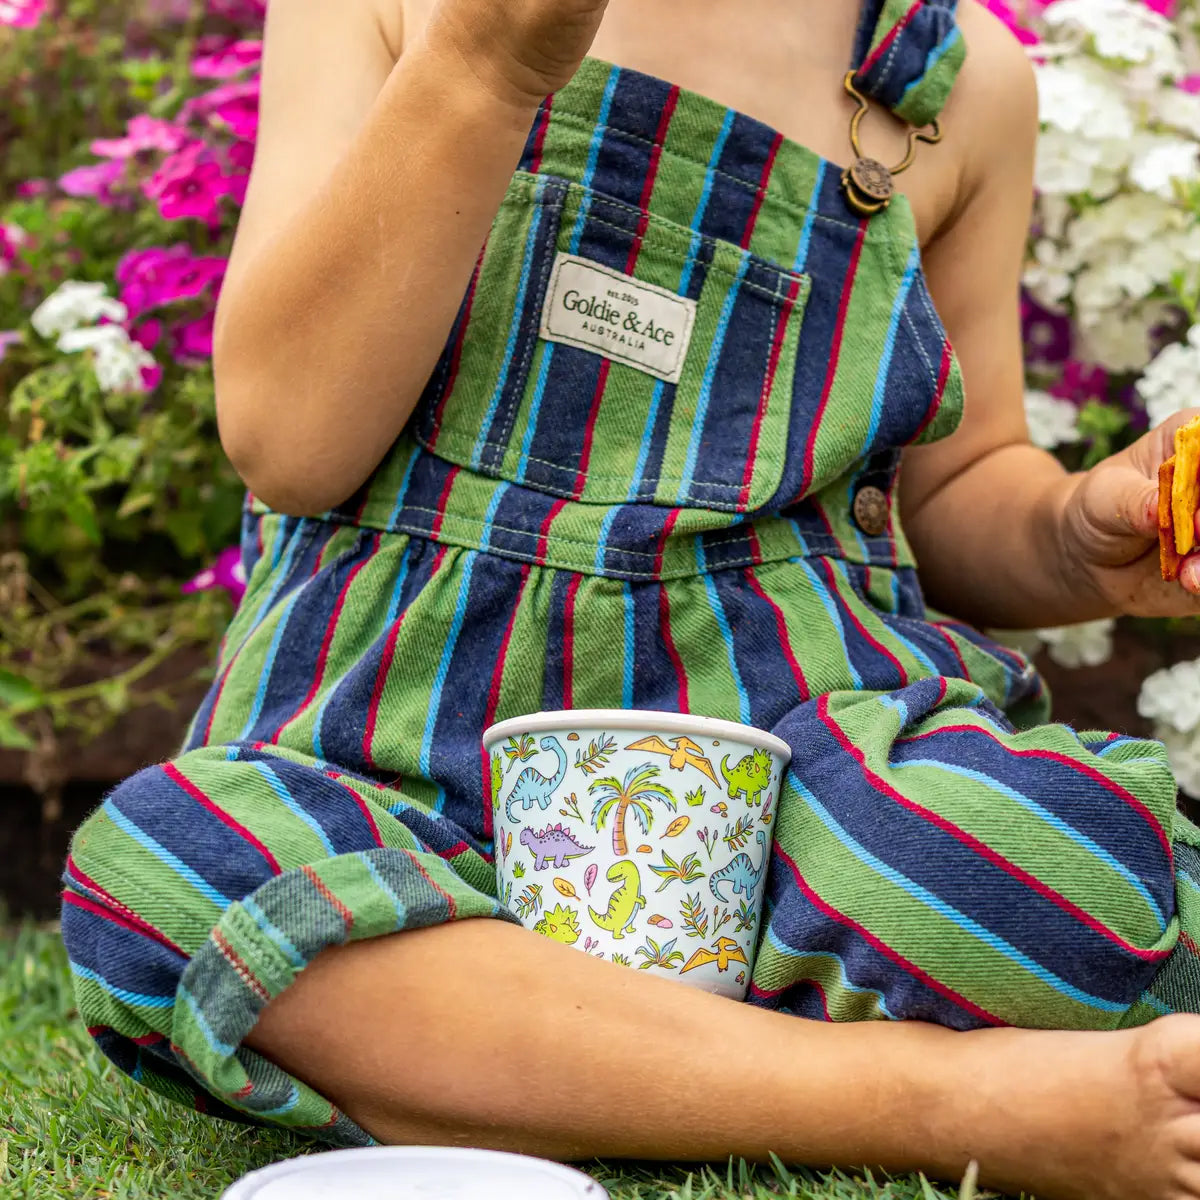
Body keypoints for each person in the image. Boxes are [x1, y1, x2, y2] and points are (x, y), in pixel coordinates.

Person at [60, 1, 1200, 1195]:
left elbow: (954, 484)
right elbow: (288, 439)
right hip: (382, 744)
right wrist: (488, 59)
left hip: (785, 753)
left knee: (1040, 861)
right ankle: (941, 1100)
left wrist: (1073, 537)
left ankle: (523, 1050)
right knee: (174, 869)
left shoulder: (950, 83)